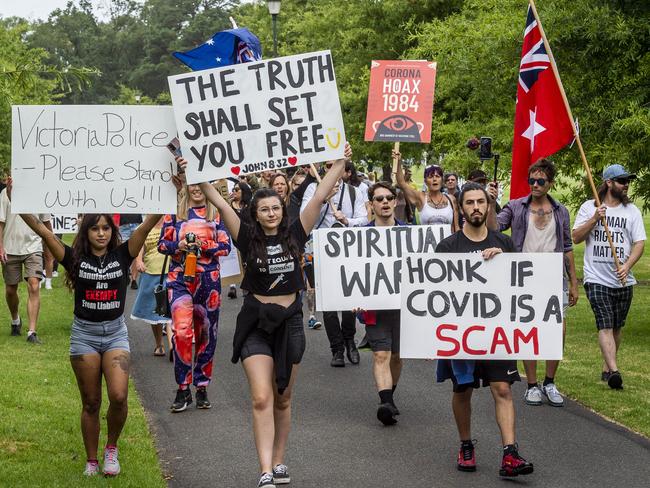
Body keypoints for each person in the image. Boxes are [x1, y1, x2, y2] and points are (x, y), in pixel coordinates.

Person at [189, 144, 351, 488]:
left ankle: (279, 460)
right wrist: (197, 173)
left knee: (283, 397)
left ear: (282, 209)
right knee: (261, 396)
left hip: (290, 321)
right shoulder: (246, 237)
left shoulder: (296, 232)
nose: (272, 213)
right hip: (256, 324)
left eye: (276, 207)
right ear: (256, 213)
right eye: (265, 209)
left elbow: (320, 195)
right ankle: (265, 470)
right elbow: (218, 202)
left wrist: (340, 161)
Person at [18, 208, 161, 476]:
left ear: (113, 231)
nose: (101, 233)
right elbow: (43, 231)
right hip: (85, 336)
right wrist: (21, 202)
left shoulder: (123, 254)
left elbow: (146, 225)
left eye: (106, 228)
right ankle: (92, 460)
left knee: (118, 396)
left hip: (116, 334)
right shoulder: (74, 258)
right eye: (95, 229)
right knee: (91, 402)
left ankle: (112, 448)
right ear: (86, 232)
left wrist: (170, 194)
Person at [436, 182, 534, 478]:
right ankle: (466, 444)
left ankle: (510, 453)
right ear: (461, 208)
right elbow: (435, 297)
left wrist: (503, 263)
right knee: (462, 389)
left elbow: (521, 288)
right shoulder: (448, 247)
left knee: (502, 389)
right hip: (461, 333)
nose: (476, 207)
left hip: (498, 333)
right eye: (470, 203)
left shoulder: (504, 243)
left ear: (488, 205)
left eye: (481, 202)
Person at [492, 159, 578, 406]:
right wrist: (490, 202)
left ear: (550, 183)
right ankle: (531, 385)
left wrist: (573, 283)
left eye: (541, 181)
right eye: (532, 180)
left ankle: (550, 382)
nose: (535, 184)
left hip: (553, 278)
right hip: (524, 277)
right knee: (528, 329)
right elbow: (495, 227)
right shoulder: (516, 206)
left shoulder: (560, 211)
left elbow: (568, 247)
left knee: (556, 331)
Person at [572, 164, 646, 390]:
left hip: (623, 279)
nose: (626, 185)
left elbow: (639, 243)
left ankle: (606, 367)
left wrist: (627, 265)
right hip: (596, 278)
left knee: (616, 326)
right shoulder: (589, 207)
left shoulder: (631, 211)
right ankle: (615, 372)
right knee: (604, 324)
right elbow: (575, 237)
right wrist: (595, 218)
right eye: (622, 181)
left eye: (627, 181)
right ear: (609, 183)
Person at [159, 183, 231, 412]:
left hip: (208, 282)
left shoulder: (217, 212)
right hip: (180, 279)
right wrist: (179, 245)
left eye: (202, 185)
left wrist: (203, 246)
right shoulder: (175, 212)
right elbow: (162, 245)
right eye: (193, 185)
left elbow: (225, 246)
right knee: (181, 332)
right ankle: (182, 388)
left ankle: (201, 386)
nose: (197, 189)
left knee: (206, 334)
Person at [300, 154, 368, 367]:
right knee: (327, 302)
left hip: (347, 251)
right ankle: (336, 348)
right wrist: (321, 199)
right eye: (327, 166)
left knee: (348, 299)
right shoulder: (313, 190)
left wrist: (346, 220)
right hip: (320, 251)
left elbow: (365, 219)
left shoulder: (355, 192)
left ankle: (349, 339)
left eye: (335, 166)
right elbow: (304, 217)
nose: (331, 169)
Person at [353, 182, 404, 426]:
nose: (384, 202)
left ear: (395, 201)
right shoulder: (359, 238)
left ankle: (389, 397)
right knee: (381, 354)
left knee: (397, 355)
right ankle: (385, 402)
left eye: (388, 198)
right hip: (375, 306)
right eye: (379, 199)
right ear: (371, 205)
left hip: (405, 306)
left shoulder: (410, 234)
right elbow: (351, 272)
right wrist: (351, 298)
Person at [0, 180, 51, 343]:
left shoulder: (40, 194)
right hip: (10, 247)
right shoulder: (5, 194)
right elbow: (0, 223)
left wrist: (51, 248)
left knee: (34, 285)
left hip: (34, 247)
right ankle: (16, 320)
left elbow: (46, 223)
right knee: (10, 289)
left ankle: (32, 332)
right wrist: (1, 246)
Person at [130, 216, 173, 357]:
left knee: (169, 309)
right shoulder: (143, 228)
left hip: (171, 273)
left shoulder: (171, 223)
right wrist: (138, 261)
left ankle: (172, 345)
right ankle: (159, 344)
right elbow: (139, 249)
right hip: (151, 274)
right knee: (155, 312)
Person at [395, 153, 459, 233]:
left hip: (448, 245)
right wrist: (398, 161)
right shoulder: (421, 198)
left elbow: (456, 227)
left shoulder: (451, 199)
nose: (434, 179)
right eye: (431, 177)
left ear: (442, 180)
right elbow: (402, 183)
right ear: (425, 181)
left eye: (437, 176)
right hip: (427, 244)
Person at [118, 213, 143, 289]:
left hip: (137, 223)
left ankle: (134, 279)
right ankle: (125, 275)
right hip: (124, 224)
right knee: (122, 253)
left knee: (136, 253)